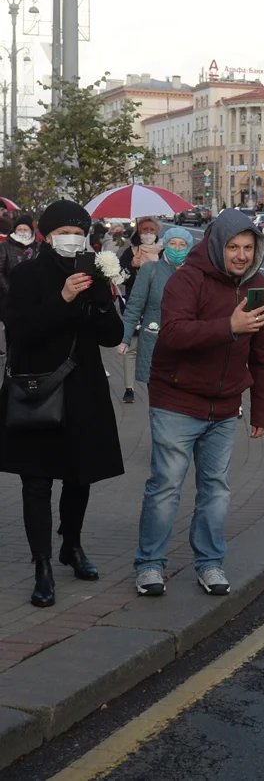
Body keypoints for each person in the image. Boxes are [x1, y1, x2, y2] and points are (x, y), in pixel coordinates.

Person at [133, 209, 264, 597]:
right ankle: (149, 565)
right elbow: (174, 335)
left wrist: (262, 410)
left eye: (248, 247)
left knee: (216, 489)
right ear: (217, 245)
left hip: (225, 406)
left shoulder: (258, 285)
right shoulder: (187, 281)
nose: (242, 256)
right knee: (166, 487)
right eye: (234, 247)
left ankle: (210, 564)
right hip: (177, 401)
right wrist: (228, 328)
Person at [0, 200, 125, 607]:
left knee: (79, 476)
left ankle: (71, 545)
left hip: (83, 390)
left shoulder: (93, 271)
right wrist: (64, 299)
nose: (72, 239)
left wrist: (103, 298)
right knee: (36, 481)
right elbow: (20, 333)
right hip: (39, 390)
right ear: (47, 236)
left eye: (79, 232)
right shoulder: (26, 275)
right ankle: (42, 566)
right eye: (64, 233)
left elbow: (111, 335)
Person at [118, 227, 193, 395]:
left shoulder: (194, 273)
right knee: (159, 400)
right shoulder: (150, 270)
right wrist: (125, 338)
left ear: (189, 248)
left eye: (182, 244)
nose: (177, 248)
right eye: (173, 243)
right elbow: (135, 305)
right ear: (165, 245)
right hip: (154, 344)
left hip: (186, 347)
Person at [117, 218, 164, 403]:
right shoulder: (130, 251)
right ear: (138, 230)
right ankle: (129, 388)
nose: (148, 233)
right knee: (132, 347)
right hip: (134, 304)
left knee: (155, 345)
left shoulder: (163, 251)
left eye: (152, 229)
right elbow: (119, 278)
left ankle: (154, 381)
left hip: (157, 307)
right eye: (144, 229)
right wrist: (132, 266)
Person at [0, 215, 39, 355]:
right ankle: (12, 358)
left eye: (25, 229)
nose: (22, 231)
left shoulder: (38, 247)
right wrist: (10, 290)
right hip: (10, 298)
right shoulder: (5, 246)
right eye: (19, 229)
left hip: (33, 298)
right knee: (12, 330)